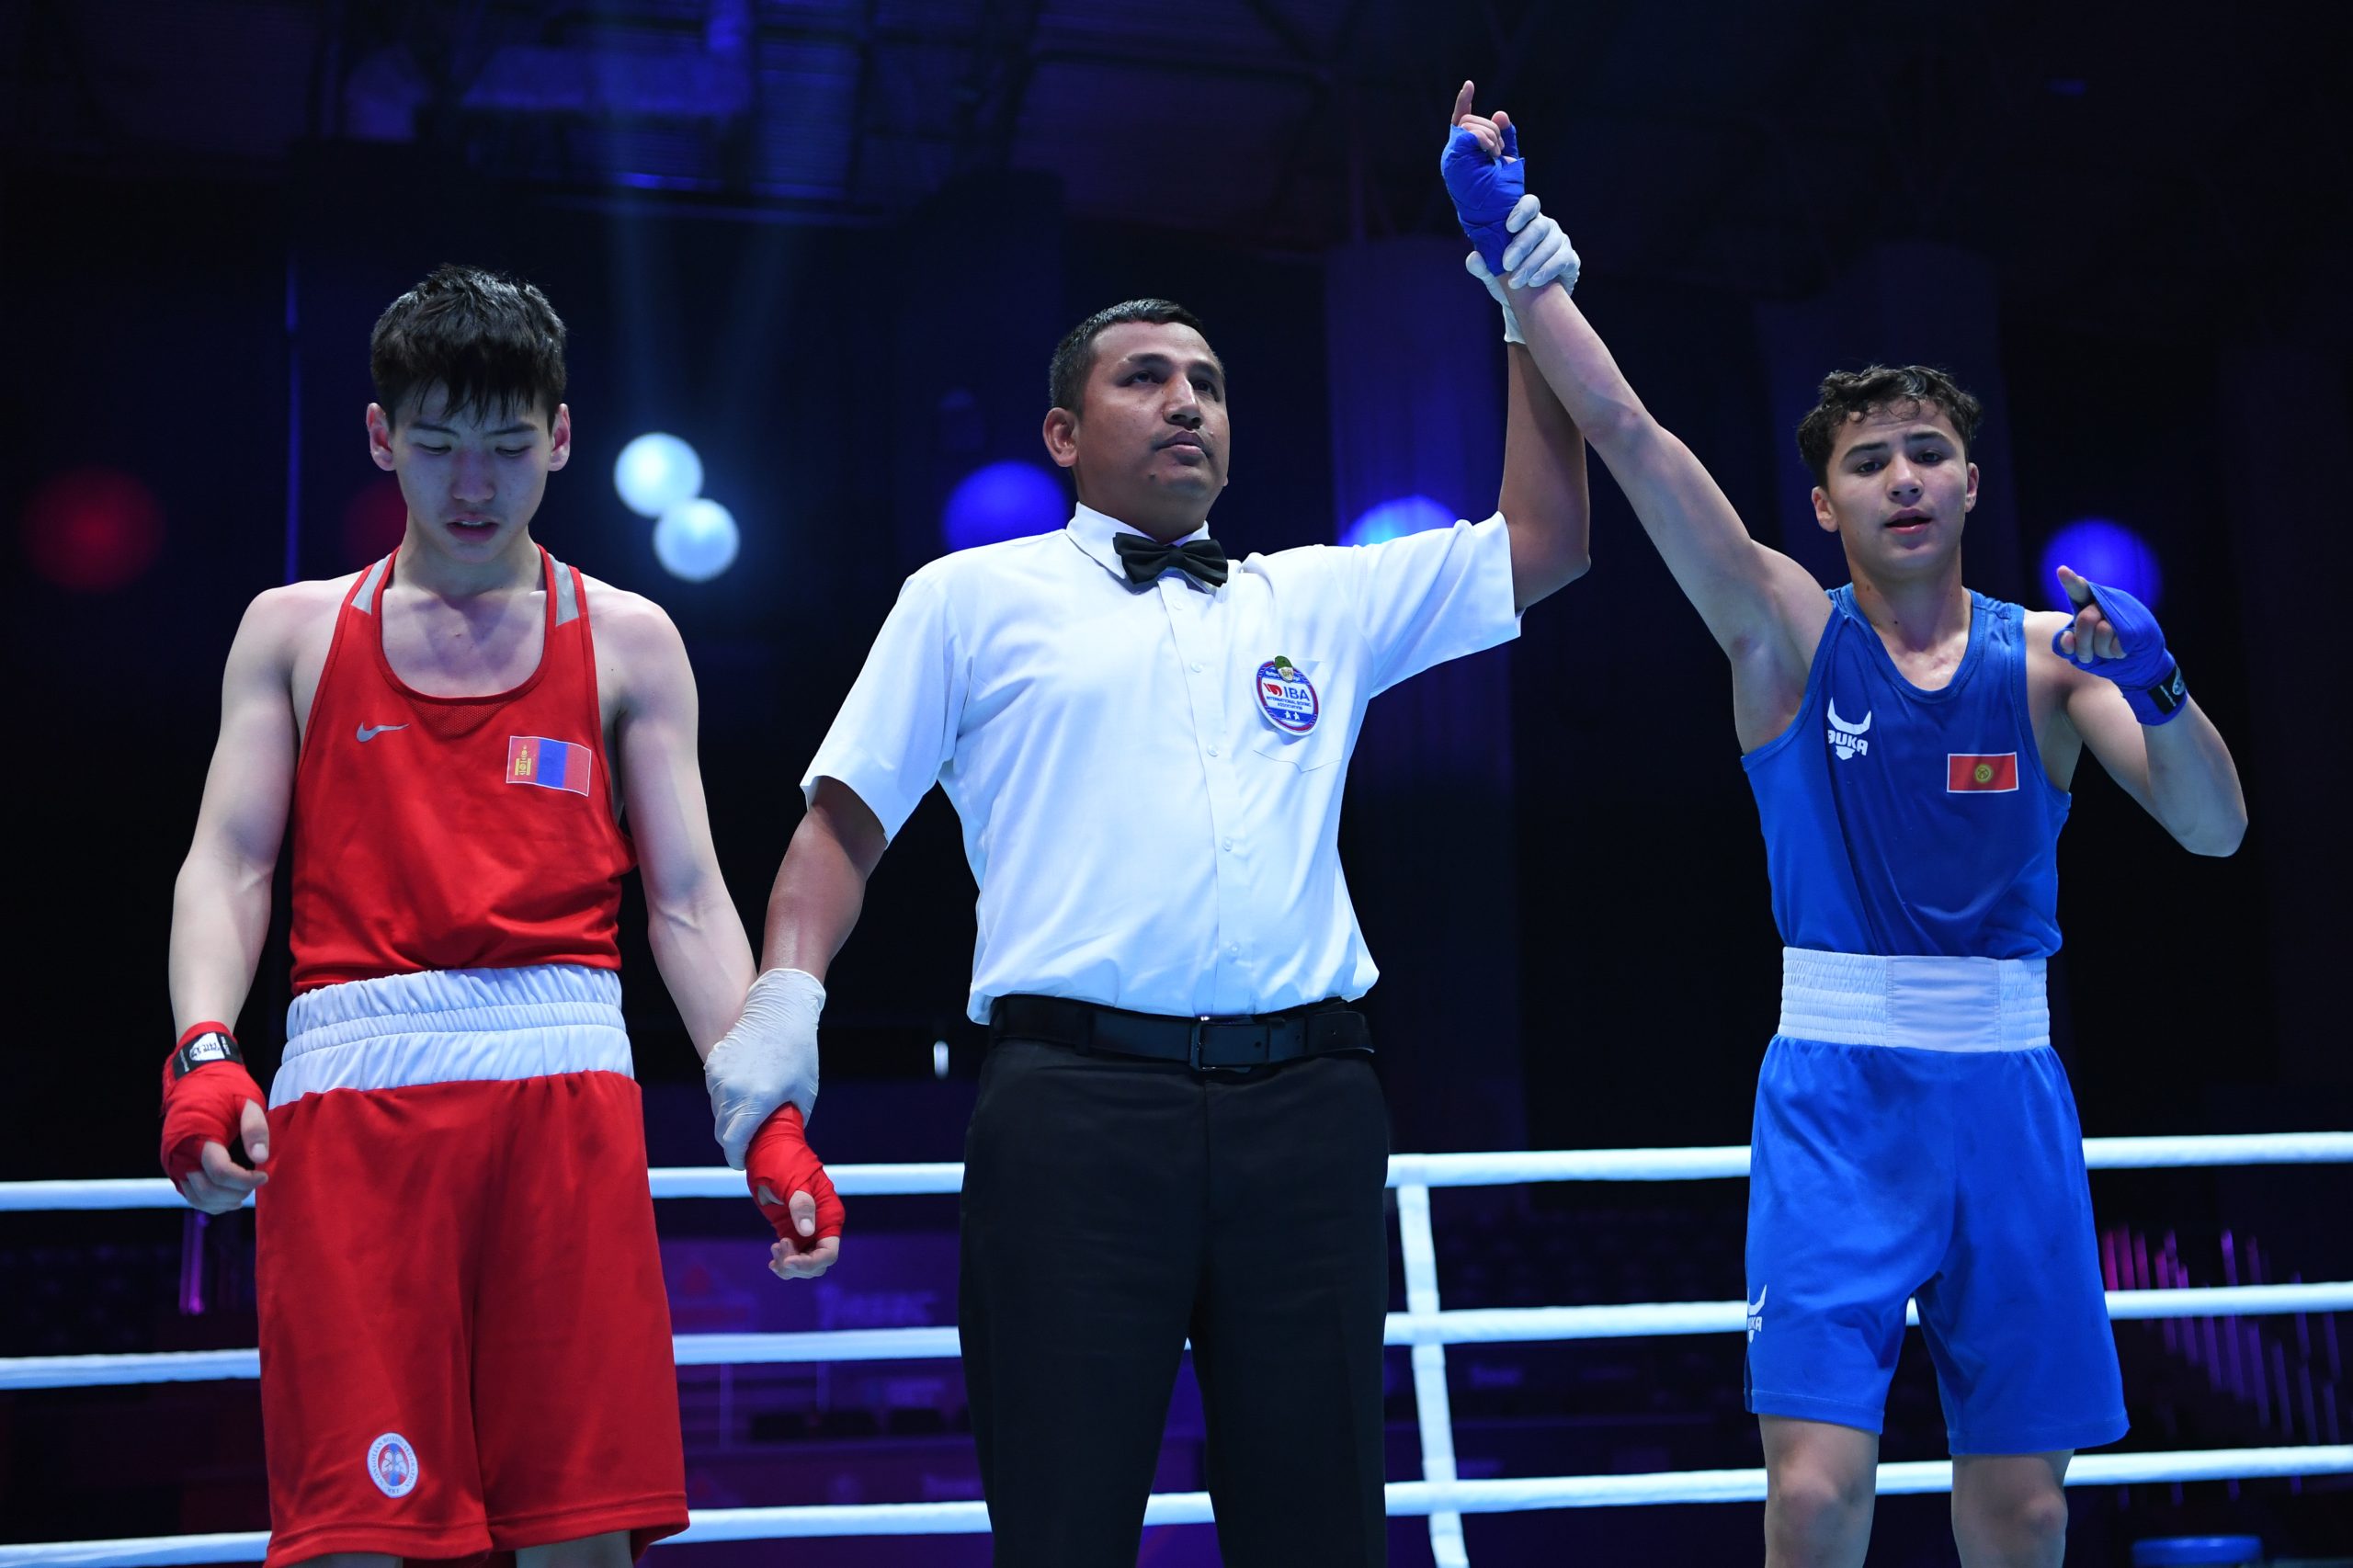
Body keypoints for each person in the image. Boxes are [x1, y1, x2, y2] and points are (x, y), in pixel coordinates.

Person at [694, 86, 1590, 1566]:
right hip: (1072, 1111)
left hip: (1311, 1106)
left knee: (1320, 1535)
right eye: (1146, 377)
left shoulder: (1316, 596)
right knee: (1063, 1528)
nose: (1187, 401)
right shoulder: (969, 599)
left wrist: (1518, 293)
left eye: (1209, 383)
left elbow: (1545, 543)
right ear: (1063, 431)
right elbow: (839, 828)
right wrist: (786, 1004)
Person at [1441, 113, 2249, 1568]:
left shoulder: (2054, 660)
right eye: (1872, 460)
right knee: (1814, 1495)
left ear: (1972, 482)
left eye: (1931, 451)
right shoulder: (1785, 634)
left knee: (2027, 1508)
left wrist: (2163, 685)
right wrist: (1515, 259)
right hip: (1836, 1091)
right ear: (1826, 503)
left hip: (2008, 1089)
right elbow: (1628, 433)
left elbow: (2213, 827)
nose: (1906, 476)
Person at [159, 265, 815, 1568]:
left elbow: (688, 899)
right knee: (359, 1536)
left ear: (560, 438)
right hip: (353, 1108)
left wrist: (767, 1115)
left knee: (580, 1535)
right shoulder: (292, 632)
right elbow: (228, 863)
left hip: (564, 1101)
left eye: (509, 448)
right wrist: (205, 1048)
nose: (474, 485)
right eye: (440, 445)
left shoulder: (630, 639)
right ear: (380, 437)